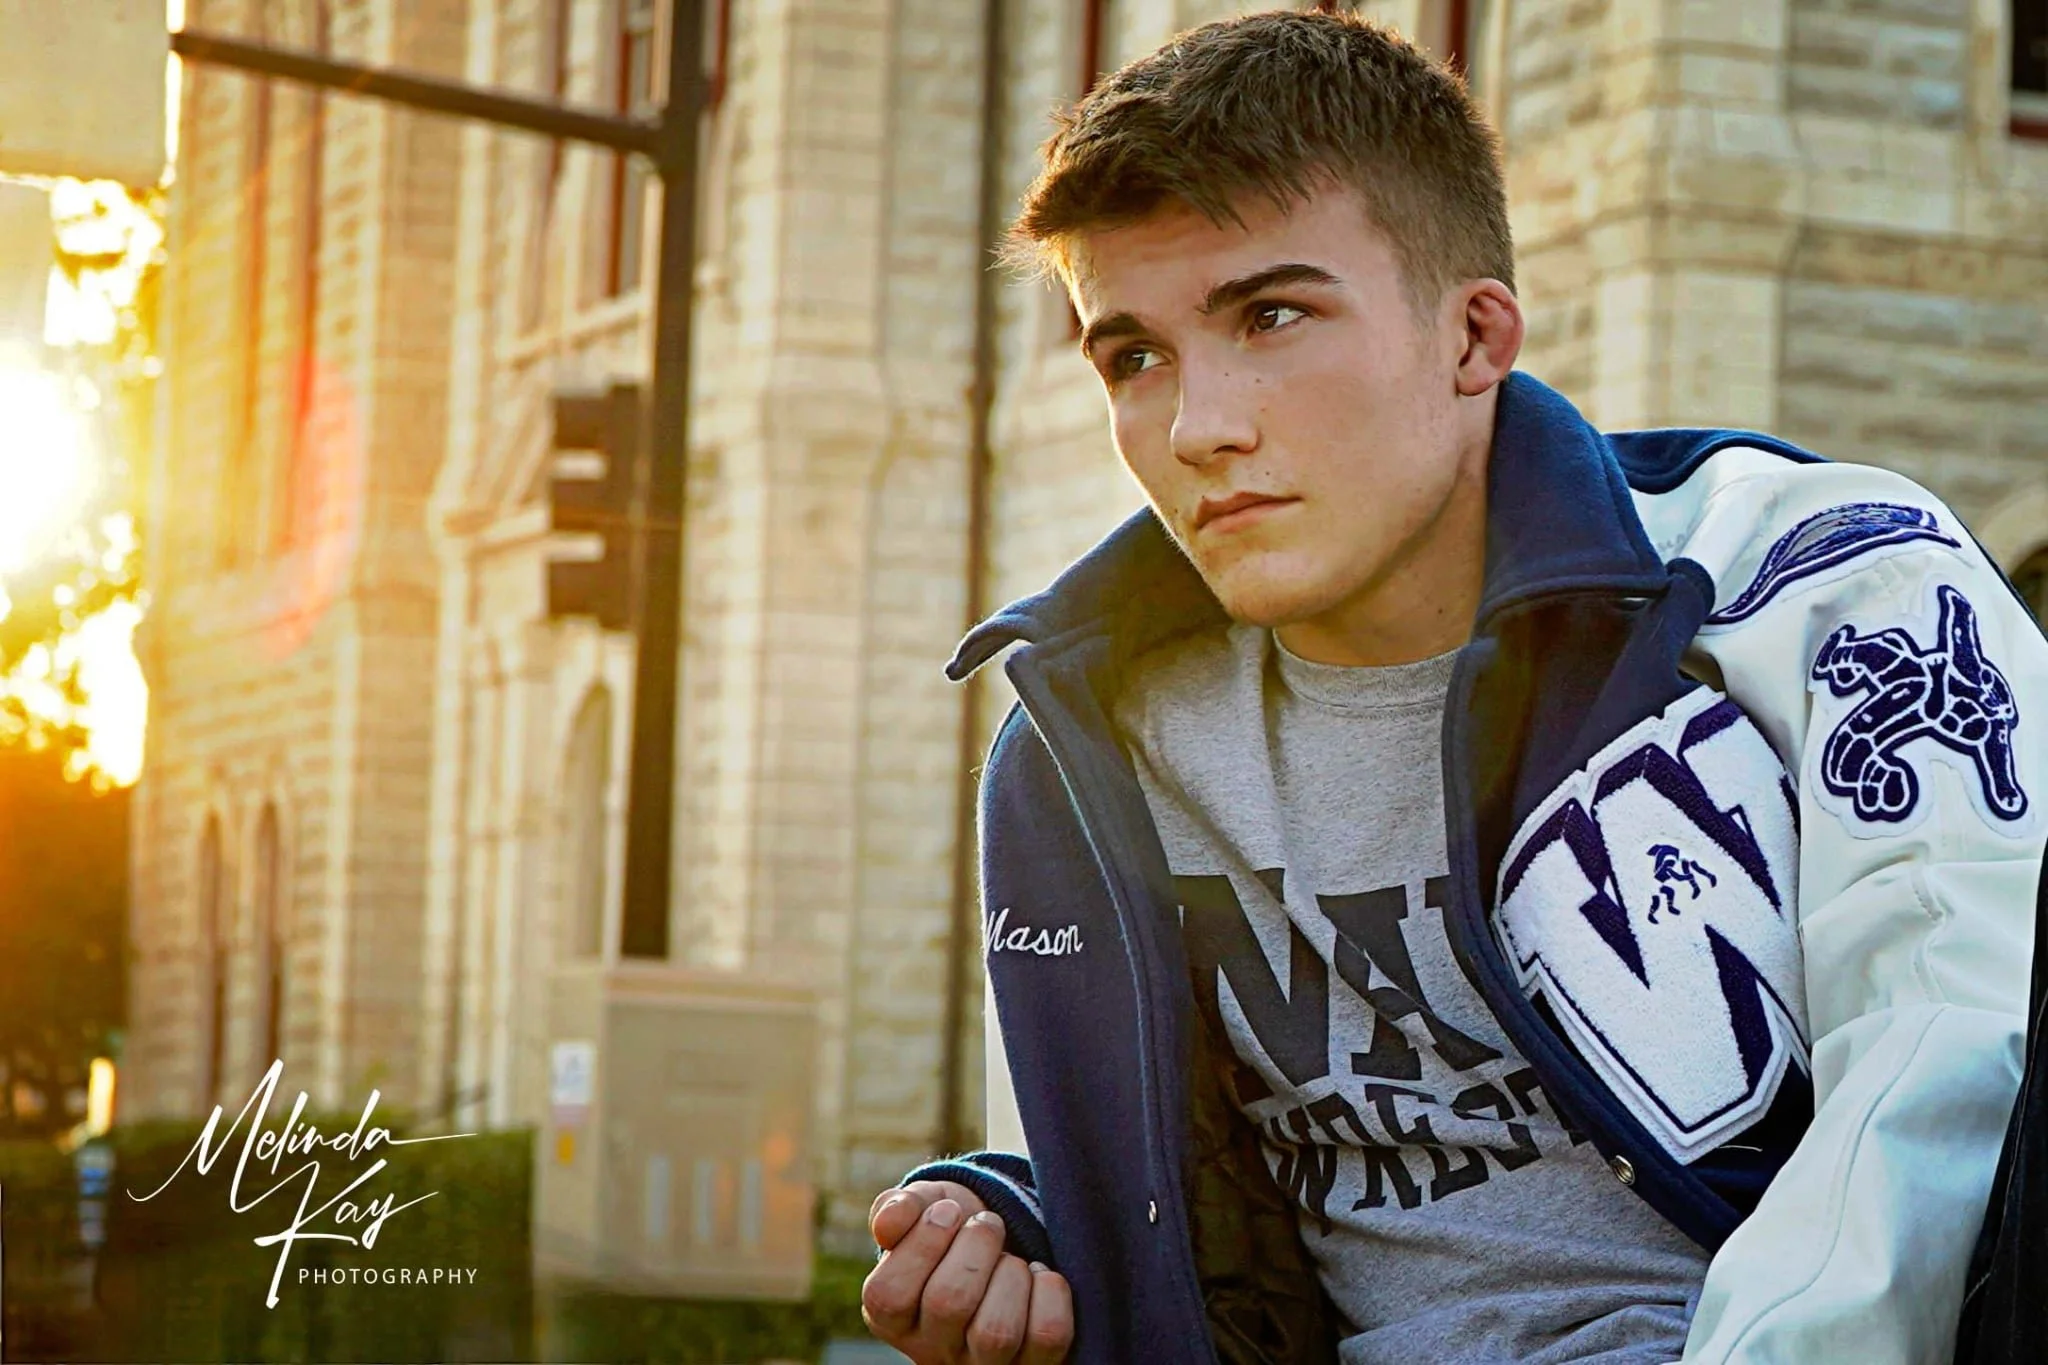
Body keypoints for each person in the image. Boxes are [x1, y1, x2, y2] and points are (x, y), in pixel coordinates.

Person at [859, 10, 2048, 1364]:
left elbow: (1954, 1056)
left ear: (1476, 336)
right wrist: (1019, 1231)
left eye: (1272, 316)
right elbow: (1144, 1206)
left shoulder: (1819, 580)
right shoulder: (1082, 750)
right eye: (1135, 356)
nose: (1198, 427)